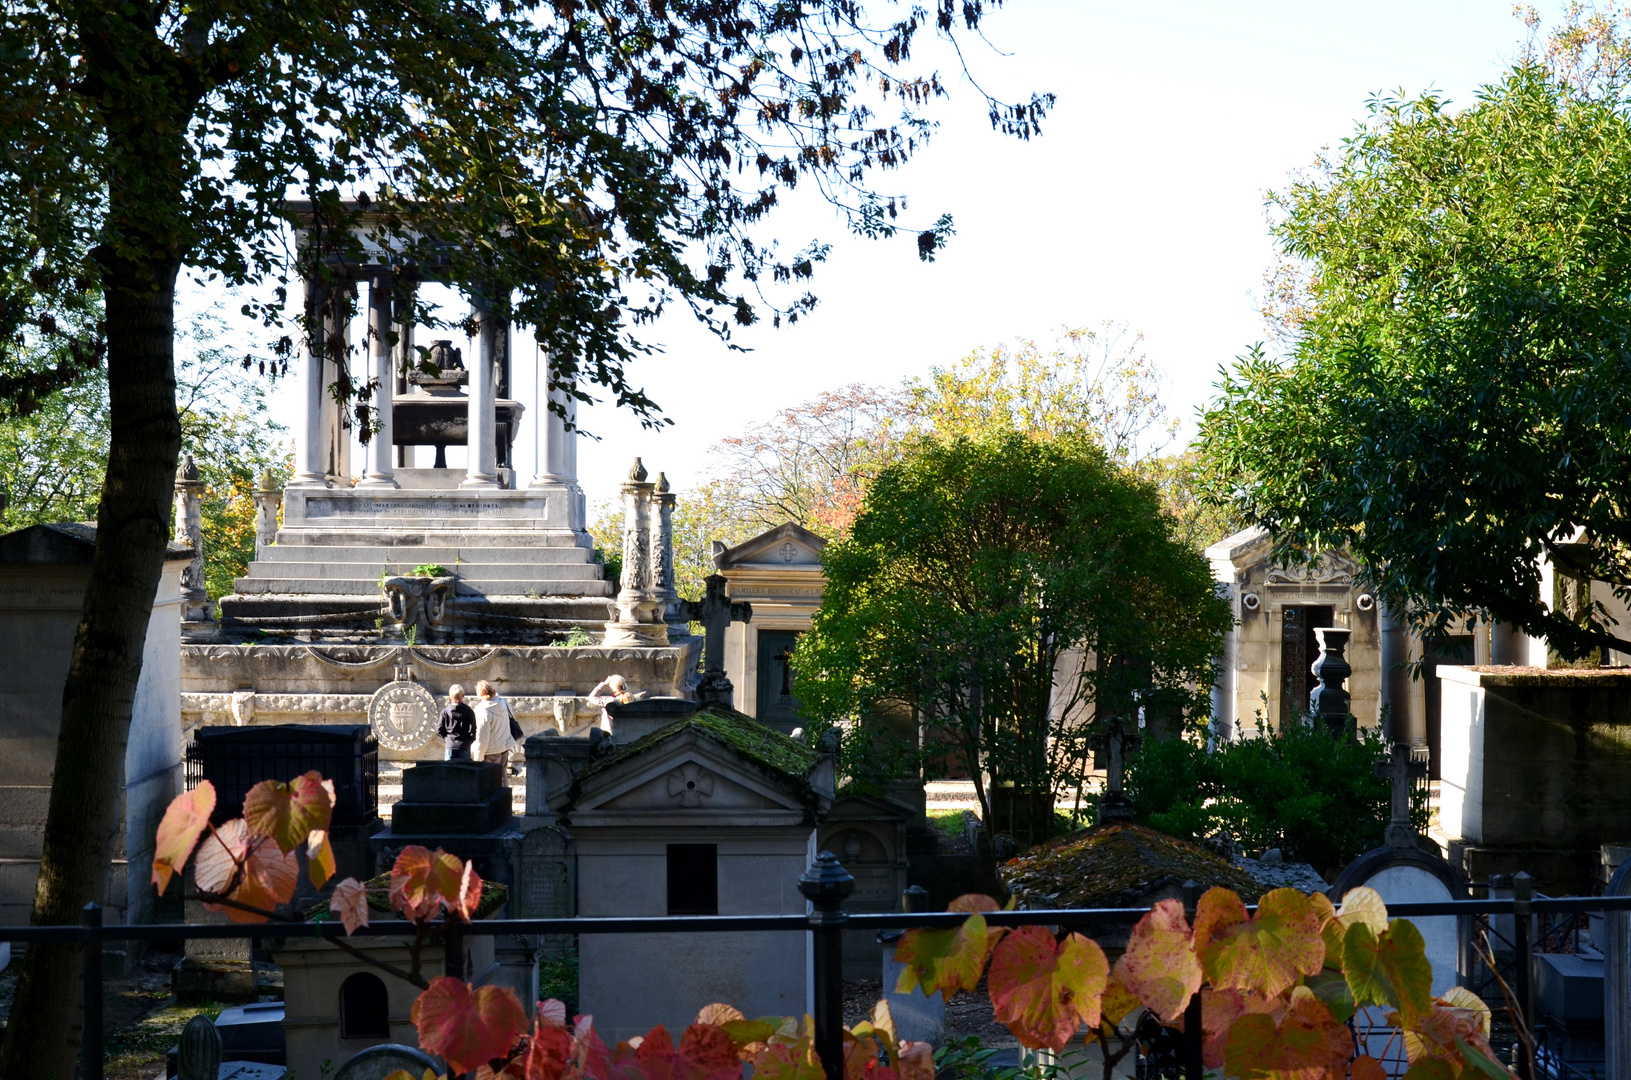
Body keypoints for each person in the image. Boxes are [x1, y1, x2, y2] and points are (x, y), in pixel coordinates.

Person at [472, 679, 521, 780]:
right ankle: (505, 794)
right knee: (503, 775)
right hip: (504, 745)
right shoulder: (503, 702)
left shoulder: (482, 710)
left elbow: (482, 736)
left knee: (491, 779)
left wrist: (478, 758)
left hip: (491, 750)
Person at [437, 684, 476, 760]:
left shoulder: (445, 711)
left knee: (449, 770)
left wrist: (447, 738)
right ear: (463, 696)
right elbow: (473, 730)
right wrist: (468, 740)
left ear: (450, 697)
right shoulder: (469, 711)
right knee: (465, 770)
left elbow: (439, 729)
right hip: (464, 745)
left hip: (450, 745)